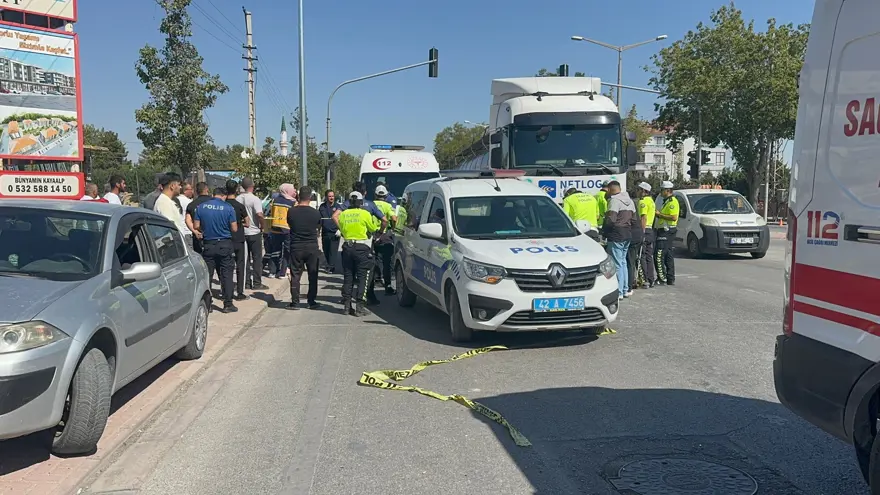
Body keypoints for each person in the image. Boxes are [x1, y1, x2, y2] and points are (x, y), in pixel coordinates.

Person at [333, 181, 387, 305]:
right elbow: (384, 220)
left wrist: (343, 230)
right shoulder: (370, 205)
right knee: (366, 272)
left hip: (349, 243)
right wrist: (379, 233)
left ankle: (346, 300)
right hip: (366, 242)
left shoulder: (347, 204)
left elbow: (335, 216)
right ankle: (368, 297)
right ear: (365, 192)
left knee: (349, 274)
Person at [193, 187, 239, 313]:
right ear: (224, 196)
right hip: (225, 244)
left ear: (213, 195)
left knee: (207, 275)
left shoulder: (201, 207)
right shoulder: (229, 208)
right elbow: (234, 228)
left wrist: (205, 229)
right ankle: (228, 304)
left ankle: (208, 305)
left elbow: (196, 226)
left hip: (208, 244)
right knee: (226, 275)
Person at [336, 191, 379, 316]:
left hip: (347, 247)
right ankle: (360, 307)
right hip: (362, 247)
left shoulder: (343, 214)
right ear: (361, 202)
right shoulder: (365, 214)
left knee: (348, 277)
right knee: (362, 278)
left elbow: (342, 230)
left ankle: (347, 306)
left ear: (349, 201)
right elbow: (372, 229)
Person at [287, 186, 322, 309]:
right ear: (310, 197)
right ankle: (311, 301)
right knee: (313, 274)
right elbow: (318, 227)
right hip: (312, 246)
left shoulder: (291, 211)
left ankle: (295, 302)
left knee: (295, 275)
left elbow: (290, 224)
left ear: (298, 196)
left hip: (296, 246)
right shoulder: (316, 213)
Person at [602, 180, 635, 298]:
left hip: (616, 234)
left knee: (617, 264)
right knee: (623, 262)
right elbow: (634, 219)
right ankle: (625, 289)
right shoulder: (630, 201)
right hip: (627, 233)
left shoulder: (614, 201)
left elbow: (611, 219)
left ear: (610, 189)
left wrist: (604, 232)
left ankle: (619, 292)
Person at [236, 177, 269, 290]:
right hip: (254, 232)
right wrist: (263, 226)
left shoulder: (238, 198)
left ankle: (246, 282)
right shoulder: (255, 199)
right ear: (252, 186)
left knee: (244, 258)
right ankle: (257, 283)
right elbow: (259, 214)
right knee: (257, 258)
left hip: (242, 231)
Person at [225, 180, 250, 301]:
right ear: (236, 190)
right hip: (239, 238)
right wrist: (240, 224)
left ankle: (226, 291)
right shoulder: (240, 206)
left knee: (226, 267)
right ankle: (240, 292)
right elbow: (248, 223)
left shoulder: (223, 205)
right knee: (240, 265)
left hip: (226, 238)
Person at [266, 184, 296, 278]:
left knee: (275, 251)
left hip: (275, 228)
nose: (294, 191)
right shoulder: (291, 202)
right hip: (287, 229)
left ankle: (272, 271)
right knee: (287, 251)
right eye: (292, 189)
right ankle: (282, 273)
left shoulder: (275, 200)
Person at [373, 185, 397, 295]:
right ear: (386, 196)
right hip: (385, 235)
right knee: (387, 261)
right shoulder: (388, 206)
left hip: (373, 234)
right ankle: (388, 285)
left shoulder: (371, 205)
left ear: (375, 195)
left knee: (376, 259)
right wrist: (393, 229)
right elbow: (394, 218)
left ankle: (377, 279)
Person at [654, 180, 680, 286]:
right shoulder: (666, 201)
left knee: (658, 254)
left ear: (668, 190)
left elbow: (673, 217)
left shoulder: (672, 202)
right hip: (664, 230)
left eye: (662, 190)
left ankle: (662, 278)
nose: (661, 192)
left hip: (667, 230)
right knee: (668, 255)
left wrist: (659, 215)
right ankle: (670, 278)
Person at [153, 173, 187, 237]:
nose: (180, 187)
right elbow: (170, 228)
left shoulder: (167, 201)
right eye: (179, 185)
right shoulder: (164, 203)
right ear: (172, 186)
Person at [636, 182, 657, 288]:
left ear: (644, 191)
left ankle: (644, 279)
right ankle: (651, 279)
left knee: (641, 256)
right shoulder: (651, 201)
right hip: (650, 230)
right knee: (649, 256)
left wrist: (642, 232)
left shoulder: (643, 201)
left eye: (639, 190)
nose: (637, 192)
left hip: (644, 229)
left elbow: (643, 217)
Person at [626, 184, 645, 294]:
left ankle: (629, 285)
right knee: (633, 260)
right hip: (638, 234)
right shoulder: (635, 203)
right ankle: (634, 281)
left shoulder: (632, 204)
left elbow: (643, 218)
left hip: (633, 235)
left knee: (630, 261)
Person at [318, 190, 341, 273]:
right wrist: (318, 230)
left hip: (335, 232)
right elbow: (320, 220)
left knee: (333, 251)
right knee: (326, 250)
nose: (331, 198)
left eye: (332, 196)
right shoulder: (322, 207)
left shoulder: (338, 207)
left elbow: (341, 219)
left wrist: (340, 229)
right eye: (330, 196)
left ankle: (331, 267)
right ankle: (329, 264)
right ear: (326, 197)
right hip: (325, 232)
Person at [185, 182, 212, 255]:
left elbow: (187, 220)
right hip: (213, 238)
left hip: (198, 238)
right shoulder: (214, 203)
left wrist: (195, 232)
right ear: (207, 189)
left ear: (196, 191)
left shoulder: (191, 205)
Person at [177, 181, 194, 248]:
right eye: (190, 189)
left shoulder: (175, 200)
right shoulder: (189, 202)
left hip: (177, 231)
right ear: (184, 191)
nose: (192, 191)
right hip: (187, 231)